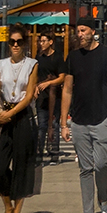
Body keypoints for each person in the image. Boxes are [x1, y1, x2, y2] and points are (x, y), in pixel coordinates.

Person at [61, 18, 107, 213]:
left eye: (83, 30)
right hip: (79, 121)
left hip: (101, 118)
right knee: (85, 169)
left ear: (93, 31)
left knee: (101, 165)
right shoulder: (73, 57)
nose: (79, 34)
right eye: (77, 31)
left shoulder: (105, 54)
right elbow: (67, 89)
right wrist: (64, 122)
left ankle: (104, 203)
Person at [0, 26, 40, 213]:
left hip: (22, 116)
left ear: (25, 43)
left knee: (22, 167)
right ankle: (7, 207)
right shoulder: (1, 65)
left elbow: (28, 96)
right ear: (8, 44)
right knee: (1, 166)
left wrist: (10, 114)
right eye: (12, 42)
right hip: (3, 116)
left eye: (19, 41)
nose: (16, 45)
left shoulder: (32, 64)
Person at [33, 31, 68, 165]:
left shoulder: (57, 57)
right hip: (42, 97)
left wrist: (48, 83)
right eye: (40, 41)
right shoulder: (39, 57)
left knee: (54, 123)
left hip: (55, 96)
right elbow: (35, 74)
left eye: (44, 41)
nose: (41, 44)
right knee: (41, 125)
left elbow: (62, 77)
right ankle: (39, 154)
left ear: (50, 42)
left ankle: (54, 153)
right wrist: (35, 86)